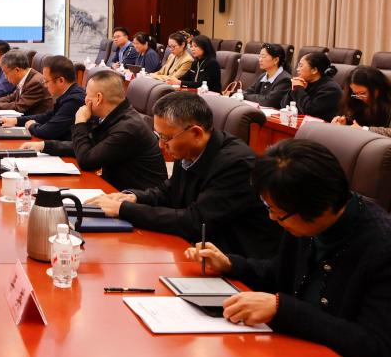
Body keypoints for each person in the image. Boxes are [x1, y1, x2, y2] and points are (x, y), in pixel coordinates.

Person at [186, 139, 391, 357]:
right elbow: (280, 274)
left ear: (320, 206)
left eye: (277, 212)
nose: (272, 218)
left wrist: (281, 309)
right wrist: (230, 264)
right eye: (267, 207)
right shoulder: (301, 220)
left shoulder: (381, 246)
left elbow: (376, 349)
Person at [89, 91, 282, 258]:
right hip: (195, 249)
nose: (161, 145)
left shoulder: (236, 164)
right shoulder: (187, 148)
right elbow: (170, 191)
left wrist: (123, 210)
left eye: (166, 138)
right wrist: (134, 197)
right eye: (159, 136)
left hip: (233, 262)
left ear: (196, 133)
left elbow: (195, 221)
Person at [22, 70, 166, 191]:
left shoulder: (127, 128)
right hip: (116, 189)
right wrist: (44, 145)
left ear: (98, 98)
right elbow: (90, 146)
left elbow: (86, 160)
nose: (84, 99)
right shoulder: (114, 116)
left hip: (137, 199)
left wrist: (80, 123)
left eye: (87, 95)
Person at [2, 56, 86, 142]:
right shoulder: (67, 94)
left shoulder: (74, 101)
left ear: (61, 80)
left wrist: (31, 126)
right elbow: (46, 116)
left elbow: (49, 132)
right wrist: (16, 120)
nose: (45, 85)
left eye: (46, 81)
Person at [0, 50, 52, 115]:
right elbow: (12, 97)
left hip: (34, 121)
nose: (5, 77)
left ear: (17, 70)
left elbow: (19, 106)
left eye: (6, 73)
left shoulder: (35, 82)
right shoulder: (26, 77)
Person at [225, 43, 291, 107]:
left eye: (263, 57)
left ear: (276, 60)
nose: (260, 60)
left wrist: (244, 96)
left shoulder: (285, 80)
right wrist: (238, 94)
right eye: (259, 56)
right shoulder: (263, 76)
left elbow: (268, 101)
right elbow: (249, 91)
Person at [281, 51, 342, 121]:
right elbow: (284, 106)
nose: (297, 69)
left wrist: (298, 89)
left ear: (314, 70)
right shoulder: (305, 82)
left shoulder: (331, 89)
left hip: (320, 126)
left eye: (301, 66)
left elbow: (309, 111)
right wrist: (294, 89)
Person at [332, 66, 391, 133]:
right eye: (355, 93)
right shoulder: (354, 98)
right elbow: (353, 122)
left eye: (363, 93)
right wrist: (345, 122)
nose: (359, 97)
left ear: (378, 88)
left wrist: (365, 129)